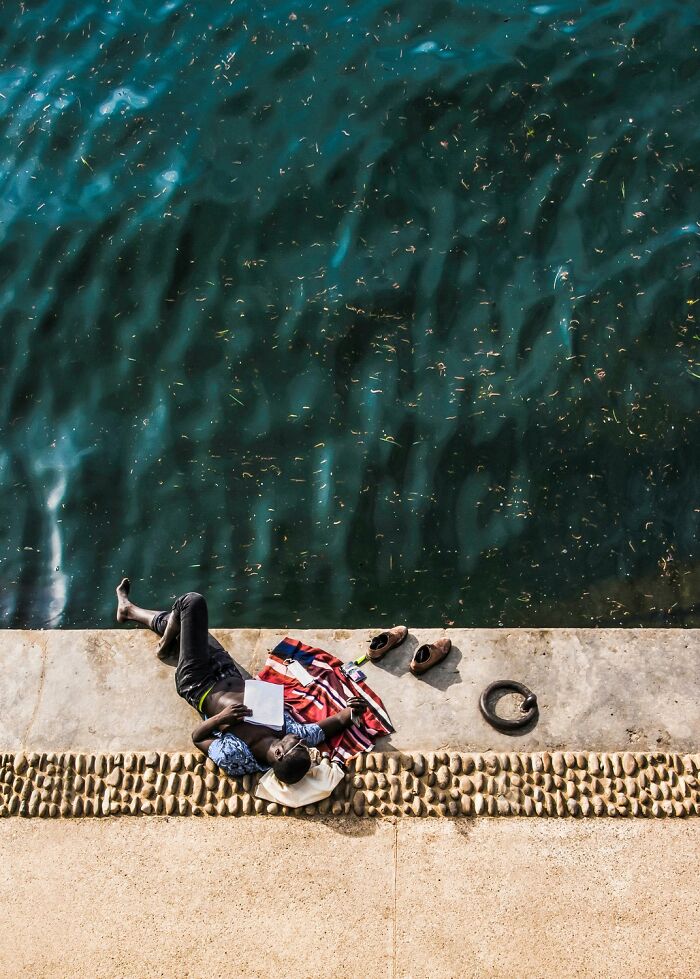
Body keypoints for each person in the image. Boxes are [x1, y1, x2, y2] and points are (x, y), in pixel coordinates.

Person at [115, 578, 364, 784]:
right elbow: (329, 726)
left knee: (191, 603)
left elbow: (198, 738)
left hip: (198, 682)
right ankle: (128, 611)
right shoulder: (293, 734)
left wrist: (221, 719)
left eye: (297, 745)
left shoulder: (236, 757)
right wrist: (353, 710)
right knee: (190, 627)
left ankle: (163, 645)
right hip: (227, 671)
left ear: (279, 753)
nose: (301, 741)